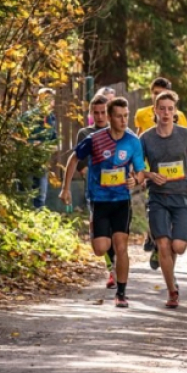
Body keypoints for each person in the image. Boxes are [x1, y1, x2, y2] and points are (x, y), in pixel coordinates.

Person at [59, 97, 145, 307]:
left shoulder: (133, 141)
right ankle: (97, 234)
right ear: (109, 117)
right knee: (100, 248)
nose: (124, 120)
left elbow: (141, 172)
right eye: (119, 116)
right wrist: (65, 187)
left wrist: (136, 179)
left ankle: (122, 293)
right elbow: (74, 158)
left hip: (121, 200)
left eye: (126, 116)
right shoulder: (96, 139)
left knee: (121, 245)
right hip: (99, 199)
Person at [140, 90, 187, 308]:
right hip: (157, 197)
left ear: (175, 112)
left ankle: (164, 260)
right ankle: (172, 290)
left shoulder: (185, 134)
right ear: (155, 110)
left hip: (182, 196)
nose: (166, 113)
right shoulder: (146, 138)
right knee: (165, 245)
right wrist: (148, 175)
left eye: (170, 109)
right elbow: (137, 167)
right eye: (162, 108)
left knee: (179, 246)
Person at [134, 77, 187, 265]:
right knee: (154, 207)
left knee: (171, 220)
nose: (158, 95)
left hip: (174, 171)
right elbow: (139, 138)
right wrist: (144, 173)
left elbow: (183, 145)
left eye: (161, 92)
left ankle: (162, 244)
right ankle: (153, 237)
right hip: (153, 165)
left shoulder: (179, 116)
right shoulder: (142, 114)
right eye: (155, 93)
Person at [75, 94, 117, 289]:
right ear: (91, 113)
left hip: (118, 191)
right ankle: (111, 269)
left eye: (103, 112)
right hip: (96, 191)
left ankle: (116, 268)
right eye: (96, 112)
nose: (100, 116)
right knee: (102, 234)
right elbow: (80, 164)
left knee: (116, 232)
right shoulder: (85, 133)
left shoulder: (118, 132)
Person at [21, 87, 57, 209]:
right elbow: (18, 137)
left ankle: (39, 215)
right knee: (26, 191)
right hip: (27, 160)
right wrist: (32, 144)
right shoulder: (28, 117)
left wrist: (52, 146)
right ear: (38, 100)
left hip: (42, 161)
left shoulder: (51, 118)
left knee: (41, 193)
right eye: (45, 99)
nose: (48, 102)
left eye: (51, 99)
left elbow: (54, 138)